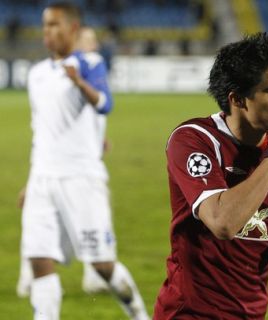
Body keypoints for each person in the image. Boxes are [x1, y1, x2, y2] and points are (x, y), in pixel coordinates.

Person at [154, 32, 268, 319]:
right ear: (238, 99)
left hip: (252, 311)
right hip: (191, 312)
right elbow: (223, 223)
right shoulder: (195, 141)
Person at [20, 2, 149, 319]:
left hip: (81, 178)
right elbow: (41, 133)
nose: (47, 32)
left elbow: (105, 103)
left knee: (103, 265)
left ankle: (138, 313)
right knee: (39, 260)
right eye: (44, 25)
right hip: (43, 179)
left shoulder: (89, 62)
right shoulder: (36, 75)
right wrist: (30, 180)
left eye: (54, 25)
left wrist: (78, 82)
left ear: (72, 28)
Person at [16, 25, 110, 299]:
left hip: (82, 165)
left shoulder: (90, 80)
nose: (92, 48)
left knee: (77, 222)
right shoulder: (65, 81)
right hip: (62, 167)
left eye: (93, 43)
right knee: (50, 224)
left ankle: (90, 276)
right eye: (87, 42)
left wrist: (99, 143)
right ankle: (30, 277)